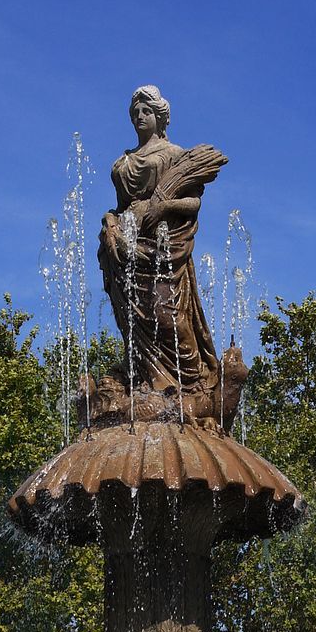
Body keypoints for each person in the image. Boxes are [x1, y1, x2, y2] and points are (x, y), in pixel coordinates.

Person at [98, 85, 226, 399]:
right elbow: (120, 206)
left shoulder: (175, 156)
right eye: (135, 112)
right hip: (124, 248)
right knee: (130, 318)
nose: (140, 117)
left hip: (162, 245)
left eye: (146, 111)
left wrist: (163, 206)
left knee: (166, 312)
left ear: (160, 117)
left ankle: (193, 381)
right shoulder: (122, 163)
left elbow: (193, 204)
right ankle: (144, 378)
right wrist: (110, 222)